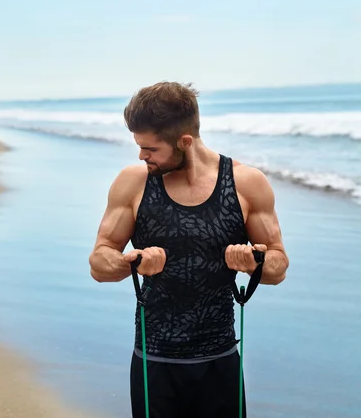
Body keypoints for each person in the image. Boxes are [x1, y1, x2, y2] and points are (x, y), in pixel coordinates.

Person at [89, 82, 289, 418]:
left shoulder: (246, 183)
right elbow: (99, 261)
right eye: (139, 147)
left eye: (150, 149)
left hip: (220, 359)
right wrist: (132, 263)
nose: (141, 156)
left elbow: (279, 267)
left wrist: (254, 263)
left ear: (185, 142)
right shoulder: (134, 183)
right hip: (154, 359)